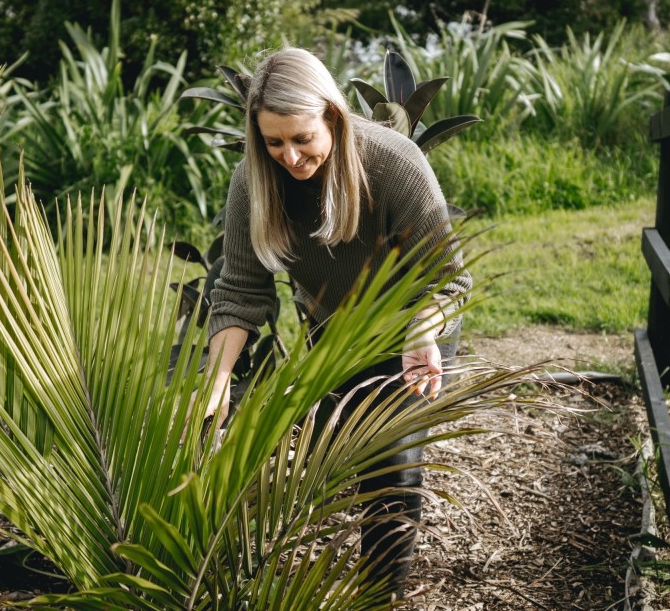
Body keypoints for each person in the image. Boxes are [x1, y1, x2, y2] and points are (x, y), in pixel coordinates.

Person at [200, 46, 471, 602]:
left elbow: (449, 279)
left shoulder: (393, 164)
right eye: (274, 142)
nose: (290, 157)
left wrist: (422, 330)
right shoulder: (254, 181)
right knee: (344, 454)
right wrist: (216, 382)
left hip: (414, 330)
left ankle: (378, 596)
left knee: (391, 462)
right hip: (334, 331)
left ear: (333, 116)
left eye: (302, 139)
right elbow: (241, 291)